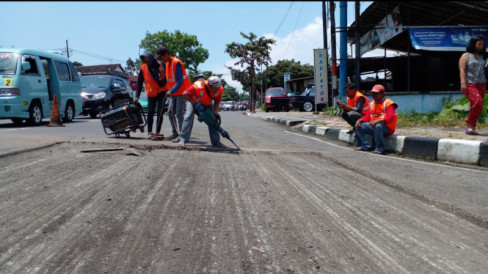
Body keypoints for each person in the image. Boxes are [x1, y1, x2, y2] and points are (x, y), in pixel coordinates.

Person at [155, 46, 192, 143]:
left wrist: (171, 91)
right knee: (170, 113)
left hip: (181, 92)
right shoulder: (167, 63)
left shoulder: (176, 63)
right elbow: (171, 80)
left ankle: (181, 135)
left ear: (166, 54)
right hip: (174, 93)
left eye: (161, 57)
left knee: (179, 114)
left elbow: (179, 81)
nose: (160, 59)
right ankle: (175, 133)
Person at [181, 75, 227, 148]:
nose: (216, 90)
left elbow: (217, 101)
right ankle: (183, 140)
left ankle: (216, 142)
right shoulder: (198, 86)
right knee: (188, 117)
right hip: (193, 100)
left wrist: (215, 111)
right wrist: (195, 104)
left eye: (218, 88)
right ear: (209, 85)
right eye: (215, 89)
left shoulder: (220, 89)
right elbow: (185, 94)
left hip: (208, 103)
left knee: (213, 120)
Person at [354, 84, 398, 155]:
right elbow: (367, 116)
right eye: (372, 93)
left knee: (378, 126)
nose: (373, 95)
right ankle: (366, 146)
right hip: (374, 126)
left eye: (376, 93)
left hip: (387, 128)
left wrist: (378, 121)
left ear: (382, 93)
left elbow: (390, 117)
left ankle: (380, 149)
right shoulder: (372, 104)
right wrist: (360, 120)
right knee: (359, 125)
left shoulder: (388, 103)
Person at [134, 51, 167, 139]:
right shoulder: (143, 68)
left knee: (160, 112)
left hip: (162, 91)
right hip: (151, 93)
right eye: (144, 61)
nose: (146, 62)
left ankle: (157, 132)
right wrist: (137, 96)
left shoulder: (161, 65)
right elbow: (139, 83)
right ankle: (149, 132)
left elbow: (168, 77)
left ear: (151, 59)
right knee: (150, 112)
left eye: (147, 60)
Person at [459, 35, 486, 135]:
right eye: (479, 44)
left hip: (482, 83)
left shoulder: (482, 57)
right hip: (470, 84)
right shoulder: (465, 55)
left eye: (482, 44)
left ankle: (472, 127)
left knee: (479, 106)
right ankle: (469, 123)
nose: (480, 46)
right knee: (477, 101)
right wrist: (463, 83)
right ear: (473, 43)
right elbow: (462, 70)